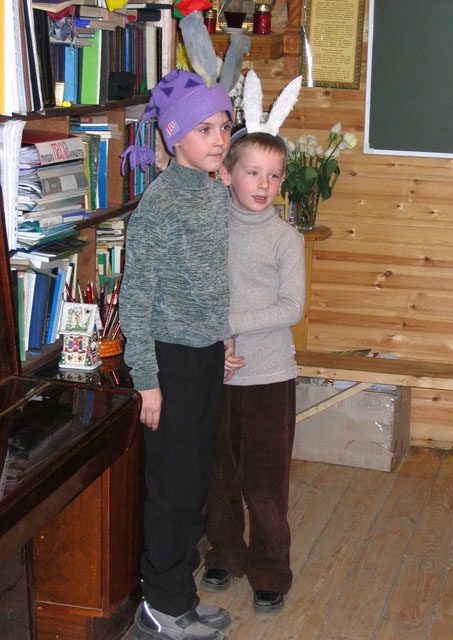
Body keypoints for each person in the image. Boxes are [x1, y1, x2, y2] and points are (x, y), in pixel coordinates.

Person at [119, 69, 240, 640]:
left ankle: (181, 596)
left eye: (224, 126)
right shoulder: (160, 205)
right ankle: (159, 609)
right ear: (173, 136)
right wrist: (147, 379)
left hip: (205, 354)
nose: (219, 139)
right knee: (172, 488)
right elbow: (136, 298)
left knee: (194, 482)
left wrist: (223, 336)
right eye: (203, 129)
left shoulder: (212, 192)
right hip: (170, 362)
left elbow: (209, 277)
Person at [201, 128, 306, 613]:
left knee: (265, 482)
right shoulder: (209, 230)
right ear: (226, 175)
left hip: (269, 377)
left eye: (274, 175)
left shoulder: (285, 239)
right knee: (219, 474)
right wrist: (213, 338)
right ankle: (224, 553)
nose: (264, 184)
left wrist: (229, 325)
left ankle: (271, 568)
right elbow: (198, 293)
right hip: (215, 373)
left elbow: (291, 308)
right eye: (253, 173)